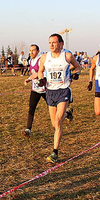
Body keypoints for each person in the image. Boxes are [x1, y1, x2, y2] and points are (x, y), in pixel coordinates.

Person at [37, 34, 81, 163]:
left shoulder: (67, 56)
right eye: (49, 42)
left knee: (57, 121)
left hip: (63, 90)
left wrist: (76, 74)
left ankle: (55, 152)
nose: (51, 45)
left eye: (54, 42)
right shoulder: (45, 57)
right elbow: (40, 71)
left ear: (61, 44)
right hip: (50, 91)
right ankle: (68, 113)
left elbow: (78, 66)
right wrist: (41, 79)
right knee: (54, 124)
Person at [22, 44, 46, 138]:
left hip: (44, 89)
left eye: (33, 50)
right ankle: (28, 129)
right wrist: (29, 79)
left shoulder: (40, 60)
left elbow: (42, 72)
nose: (31, 52)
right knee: (31, 108)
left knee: (53, 107)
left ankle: (66, 114)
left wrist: (34, 76)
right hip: (35, 89)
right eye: (30, 50)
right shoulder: (31, 61)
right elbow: (33, 74)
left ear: (38, 51)